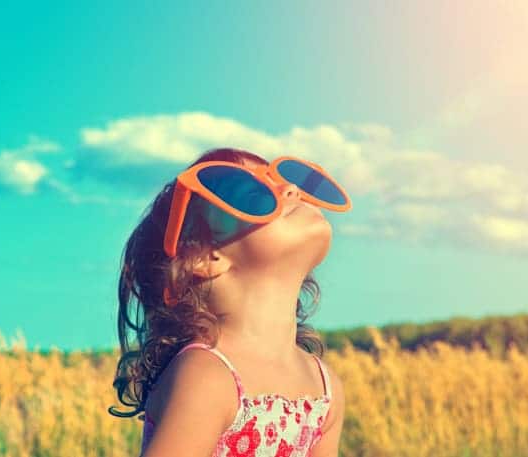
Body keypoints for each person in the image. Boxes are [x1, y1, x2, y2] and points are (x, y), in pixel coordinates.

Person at [108, 147, 349, 456]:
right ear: (203, 256)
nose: (292, 190)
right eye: (255, 197)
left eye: (285, 181)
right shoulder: (206, 376)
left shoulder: (325, 387)